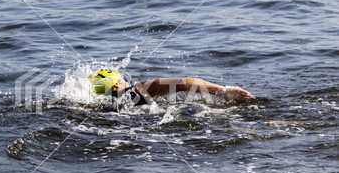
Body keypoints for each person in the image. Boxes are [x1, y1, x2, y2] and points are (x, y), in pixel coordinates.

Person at [89, 68, 255, 106]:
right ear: (117, 83)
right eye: (123, 78)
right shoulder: (135, 90)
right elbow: (183, 82)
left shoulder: (104, 106)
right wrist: (223, 91)